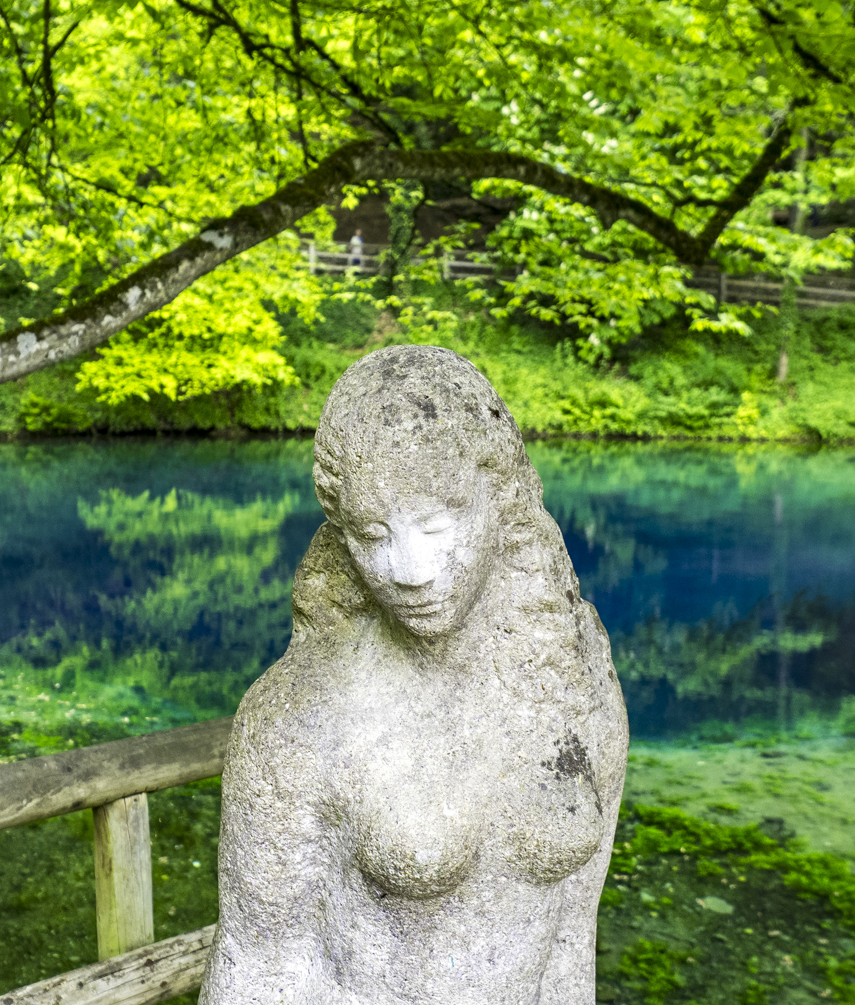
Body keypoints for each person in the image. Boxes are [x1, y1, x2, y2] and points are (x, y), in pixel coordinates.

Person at [201, 346, 629, 1005]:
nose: (410, 569)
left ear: (502, 493)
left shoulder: (578, 677)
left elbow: (574, 934)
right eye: (373, 535)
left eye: (436, 524)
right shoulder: (296, 718)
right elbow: (259, 964)